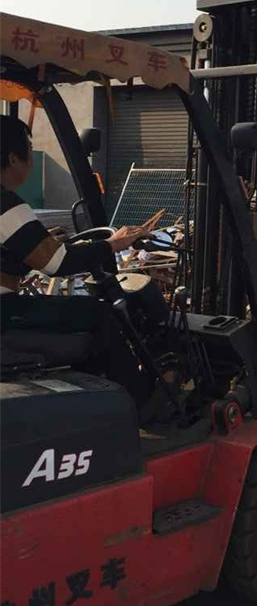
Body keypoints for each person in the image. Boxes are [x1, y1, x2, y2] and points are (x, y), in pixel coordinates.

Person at [0, 115, 151, 404]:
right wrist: (113, 243)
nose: (32, 159)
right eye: (29, 151)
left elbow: (20, 252)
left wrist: (47, 242)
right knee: (100, 315)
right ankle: (143, 405)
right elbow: (58, 264)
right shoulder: (6, 204)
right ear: (13, 158)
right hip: (4, 312)